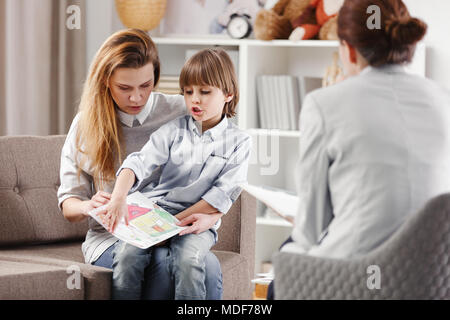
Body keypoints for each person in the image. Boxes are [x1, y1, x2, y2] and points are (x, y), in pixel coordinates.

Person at [268, 0, 450, 298]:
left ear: (347, 49)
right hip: (432, 280)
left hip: (356, 279)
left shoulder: (324, 104)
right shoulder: (443, 100)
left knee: (285, 259)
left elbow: (311, 229)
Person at [57, 29, 223, 299]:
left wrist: (214, 214)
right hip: (111, 240)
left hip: (172, 232)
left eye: (145, 86)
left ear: (156, 78)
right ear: (105, 82)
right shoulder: (86, 125)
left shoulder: (181, 113)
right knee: (160, 267)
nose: (136, 98)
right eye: (124, 88)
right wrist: (88, 206)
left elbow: (218, 175)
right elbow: (69, 204)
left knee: (207, 265)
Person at [101, 48, 252, 300]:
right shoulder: (173, 130)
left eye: (205, 92)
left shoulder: (239, 142)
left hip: (196, 222)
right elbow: (137, 163)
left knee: (189, 261)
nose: (195, 99)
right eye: (188, 91)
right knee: (127, 257)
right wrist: (118, 197)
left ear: (228, 94)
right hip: (155, 214)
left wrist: (171, 226)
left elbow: (222, 194)